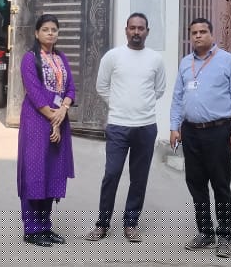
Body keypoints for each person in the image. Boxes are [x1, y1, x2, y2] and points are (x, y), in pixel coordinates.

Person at [170, 17, 231, 259]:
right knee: (195, 183)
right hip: (191, 132)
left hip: (218, 131)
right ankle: (205, 232)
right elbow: (177, 97)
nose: (198, 35)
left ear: (212, 35)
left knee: (220, 183)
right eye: (194, 32)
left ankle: (224, 234)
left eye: (203, 31)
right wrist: (174, 127)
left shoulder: (227, 61)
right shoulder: (185, 63)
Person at [85, 13, 166, 242]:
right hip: (118, 126)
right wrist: (118, 104)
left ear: (147, 31)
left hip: (145, 127)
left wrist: (141, 105)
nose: (136, 32)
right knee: (111, 174)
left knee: (139, 178)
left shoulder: (155, 59)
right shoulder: (113, 57)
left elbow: (159, 89)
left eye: (141, 28)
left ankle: (131, 223)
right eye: (132, 28)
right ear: (126, 30)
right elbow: (102, 86)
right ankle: (102, 224)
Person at [17, 14, 76, 247]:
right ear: (36, 33)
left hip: (59, 119)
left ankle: (45, 226)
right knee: (35, 172)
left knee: (53, 171)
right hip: (36, 122)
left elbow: (71, 88)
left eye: (54, 30)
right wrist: (54, 119)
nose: (50, 33)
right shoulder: (29, 59)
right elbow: (34, 93)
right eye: (45, 29)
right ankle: (32, 230)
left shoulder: (61, 57)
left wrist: (63, 110)